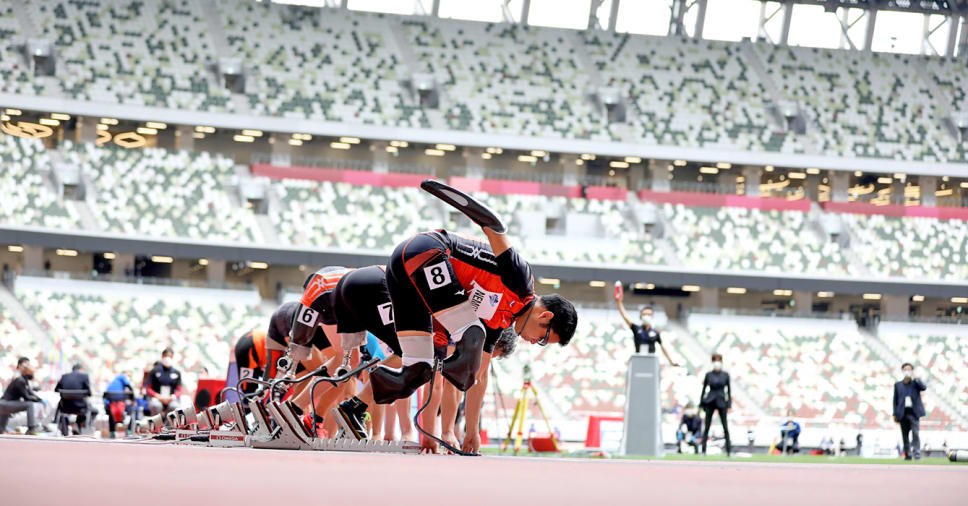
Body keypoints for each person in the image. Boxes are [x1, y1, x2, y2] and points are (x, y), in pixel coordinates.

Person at [613, 293, 678, 365]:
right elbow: (625, 317)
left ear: (652, 316)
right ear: (641, 316)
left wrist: (671, 361)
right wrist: (619, 303)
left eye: (649, 314)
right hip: (638, 359)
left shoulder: (655, 333)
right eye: (644, 314)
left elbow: (662, 347)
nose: (647, 316)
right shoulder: (636, 329)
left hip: (651, 361)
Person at [0, 357, 44, 435]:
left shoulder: (24, 380)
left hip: (5, 404)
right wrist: (37, 400)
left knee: (1, 429)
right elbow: (26, 397)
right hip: (5, 404)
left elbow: (30, 392)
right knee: (29, 404)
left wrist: (40, 399)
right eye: (31, 373)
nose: (32, 375)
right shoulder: (20, 380)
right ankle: (31, 427)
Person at [699, 353, 731, 456]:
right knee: (707, 427)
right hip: (710, 401)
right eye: (715, 360)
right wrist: (701, 403)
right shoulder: (709, 375)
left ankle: (729, 451)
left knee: (725, 427)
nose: (717, 362)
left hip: (721, 402)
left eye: (719, 360)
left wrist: (729, 403)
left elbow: (728, 391)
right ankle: (703, 450)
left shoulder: (725, 375)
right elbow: (704, 389)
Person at [893, 362, 926, 460]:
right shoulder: (898, 385)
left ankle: (917, 453)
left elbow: (924, 387)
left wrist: (916, 378)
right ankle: (907, 454)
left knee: (915, 434)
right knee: (905, 435)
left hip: (914, 413)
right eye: (905, 369)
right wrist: (895, 414)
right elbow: (895, 400)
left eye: (909, 369)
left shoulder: (915, 384)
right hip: (903, 413)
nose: (907, 371)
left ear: (912, 371)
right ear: (902, 371)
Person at [54, 363, 92, 432]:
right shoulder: (84, 376)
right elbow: (89, 393)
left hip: (64, 407)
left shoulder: (64, 376)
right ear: (80, 369)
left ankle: (64, 421)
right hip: (80, 407)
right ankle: (77, 424)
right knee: (90, 408)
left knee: (61, 404)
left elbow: (56, 389)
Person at [147, 348, 183, 416]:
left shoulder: (177, 373)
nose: (167, 358)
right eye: (166, 356)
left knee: (174, 406)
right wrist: (157, 396)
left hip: (170, 399)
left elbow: (180, 390)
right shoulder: (154, 371)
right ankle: (157, 425)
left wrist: (172, 397)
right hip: (157, 398)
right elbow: (148, 388)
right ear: (162, 356)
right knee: (156, 406)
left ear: (172, 358)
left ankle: (168, 425)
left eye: (170, 356)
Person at [103, 371, 136, 438]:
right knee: (130, 411)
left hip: (110, 401)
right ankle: (129, 431)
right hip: (118, 400)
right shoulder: (121, 376)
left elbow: (105, 397)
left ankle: (112, 432)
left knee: (110, 413)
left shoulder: (113, 381)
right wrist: (133, 398)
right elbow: (129, 386)